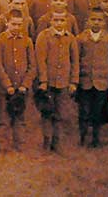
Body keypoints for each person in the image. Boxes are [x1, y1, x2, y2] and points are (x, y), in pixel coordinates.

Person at [0, 9, 35, 152]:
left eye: (19, 24)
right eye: (13, 24)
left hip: (22, 88)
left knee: (20, 118)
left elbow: (32, 66)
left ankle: (19, 146)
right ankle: (1, 146)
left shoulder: (27, 41)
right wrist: (7, 85)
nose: (16, 27)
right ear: (7, 23)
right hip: (5, 88)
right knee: (3, 118)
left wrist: (25, 85)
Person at [76, 8, 108, 148]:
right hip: (84, 82)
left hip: (102, 82)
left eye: (99, 20)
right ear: (88, 21)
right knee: (83, 111)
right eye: (93, 19)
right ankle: (82, 137)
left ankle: (96, 138)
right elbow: (75, 60)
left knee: (98, 112)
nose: (96, 22)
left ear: (104, 22)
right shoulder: (81, 38)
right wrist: (75, 81)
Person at [35, 12, 79, 153]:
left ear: (66, 21)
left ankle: (57, 142)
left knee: (60, 114)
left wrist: (73, 81)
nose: (59, 23)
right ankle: (46, 142)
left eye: (62, 20)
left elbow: (74, 61)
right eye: (56, 20)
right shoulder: (44, 36)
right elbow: (40, 60)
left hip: (64, 82)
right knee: (47, 112)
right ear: (51, 21)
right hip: (48, 82)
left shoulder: (70, 38)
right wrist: (43, 80)